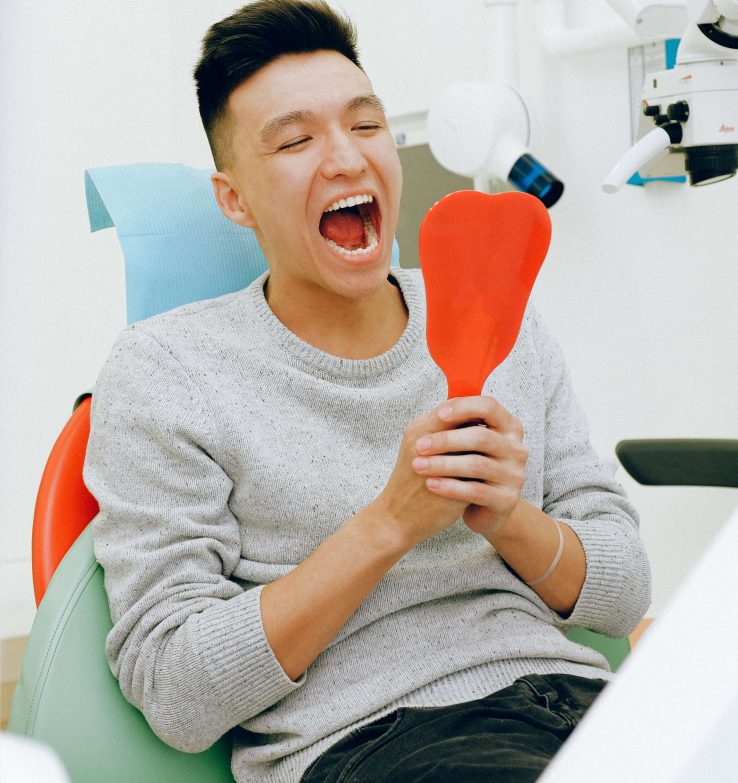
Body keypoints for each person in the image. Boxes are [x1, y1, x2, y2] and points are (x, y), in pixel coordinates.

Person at [84, 2, 651, 781]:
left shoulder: (499, 317)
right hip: (376, 739)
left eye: (367, 125)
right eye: (295, 140)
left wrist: (510, 518)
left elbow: (623, 596)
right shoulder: (167, 370)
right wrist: (389, 523)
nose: (346, 158)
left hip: (581, 702)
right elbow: (177, 692)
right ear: (234, 199)